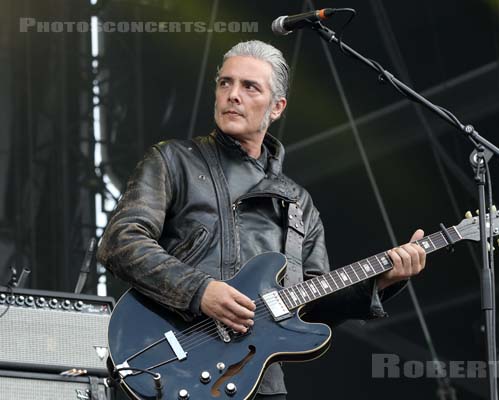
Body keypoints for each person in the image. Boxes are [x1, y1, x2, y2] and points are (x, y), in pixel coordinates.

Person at [97, 40, 426, 399]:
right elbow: (121, 241)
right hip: (173, 367)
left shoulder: (298, 203)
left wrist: (381, 282)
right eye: (225, 83)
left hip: (258, 383)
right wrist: (199, 291)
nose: (232, 95)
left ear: (277, 107)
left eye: (249, 86)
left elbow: (312, 305)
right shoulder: (173, 160)